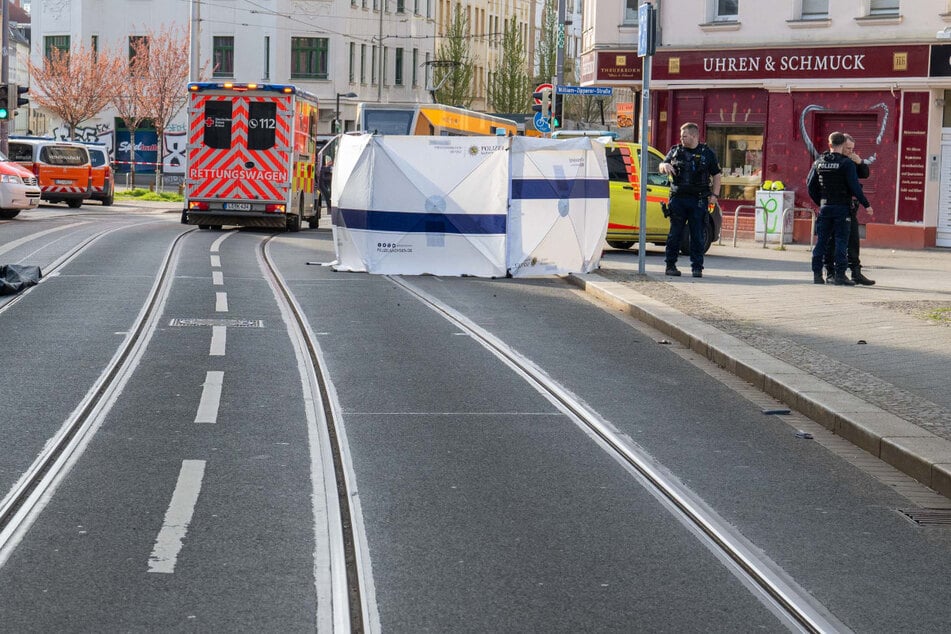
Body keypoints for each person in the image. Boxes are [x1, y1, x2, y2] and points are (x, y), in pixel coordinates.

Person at [807, 131, 873, 286]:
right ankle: (836, 274)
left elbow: (810, 185)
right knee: (836, 242)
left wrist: (861, 162)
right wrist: (867, 204)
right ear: (842, 145)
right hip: (841, 207)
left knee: (847, 241)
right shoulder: (844, 163)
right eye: (848, 148)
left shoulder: (822, 162)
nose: (850, 151)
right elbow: (855, 187)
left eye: (852, 148)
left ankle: (847, 273)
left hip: (835, 208)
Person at [658, 122, 722, 278]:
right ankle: (670, 266)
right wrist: (664, 165)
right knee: (675, 234)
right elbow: (662, 164)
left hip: (698, 200)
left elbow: (717, 175)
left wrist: (714, 195)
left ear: (694, 136)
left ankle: (697, 268)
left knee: (697, 234)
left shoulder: (707, 153)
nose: (681, 138)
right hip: (678, 199)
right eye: (681, 135)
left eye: (684, 135)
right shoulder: (675, 151)